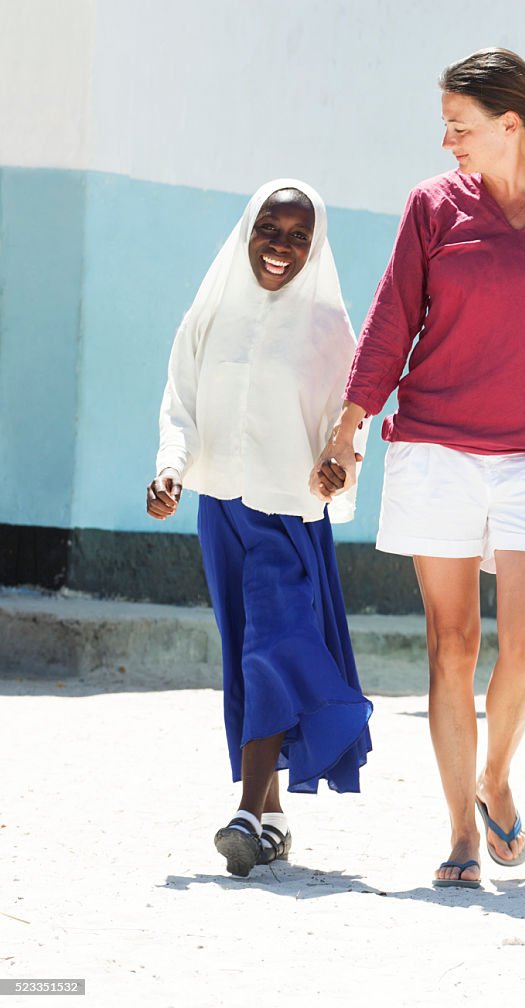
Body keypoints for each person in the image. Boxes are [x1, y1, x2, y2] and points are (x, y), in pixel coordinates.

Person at [310, 48, 525, 888]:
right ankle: (461, 829)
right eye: (446, 126)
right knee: (450, 645)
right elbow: (392, 322)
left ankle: (496, 777)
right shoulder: (432, 207)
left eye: (461, 126)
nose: (448, 140)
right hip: (434, 446)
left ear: (510, 125)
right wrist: (350, 424)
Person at [147, 179, 373, 878]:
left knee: (272, 646)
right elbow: (179, 401)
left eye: (298, 236)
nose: (281, 248)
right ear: (247, 231)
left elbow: (348, 424)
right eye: (269, 231)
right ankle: (272, 820)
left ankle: (245, 810)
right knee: (246, 649)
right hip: (219, 506)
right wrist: (171, 468)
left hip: (287, 511)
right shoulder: (211, 313)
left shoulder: (330, 327)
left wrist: (339, 470)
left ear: (317, 244)